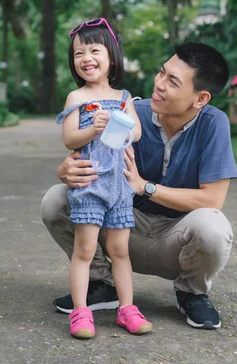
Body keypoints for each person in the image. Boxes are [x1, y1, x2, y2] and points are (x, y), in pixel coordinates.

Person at [42, 42, 237, 330]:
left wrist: (144, 186)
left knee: (213, 226)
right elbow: (87, 149)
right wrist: (66, 170)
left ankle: (191, 292)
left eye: (172, 81)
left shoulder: (214, 124)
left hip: (175, 239)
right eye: (162, 72)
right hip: (124, 228)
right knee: (56, 199)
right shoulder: (130, 112)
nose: (158, 84)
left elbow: (212, 199)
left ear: (200, 98)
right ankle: (101, 284)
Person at [55, 17, 152, 339]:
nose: (86, 58)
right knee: (84, 250)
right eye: (78, 53)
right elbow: (70, 140)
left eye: (94, 50)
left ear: (112, 56)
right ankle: (81, 313)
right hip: (91, 186)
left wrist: (119, 122)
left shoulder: (124, 96)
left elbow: (136, 132)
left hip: (120, 187)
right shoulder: (76, 98)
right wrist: (92, 129)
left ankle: (127, 308)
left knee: (119, 250)